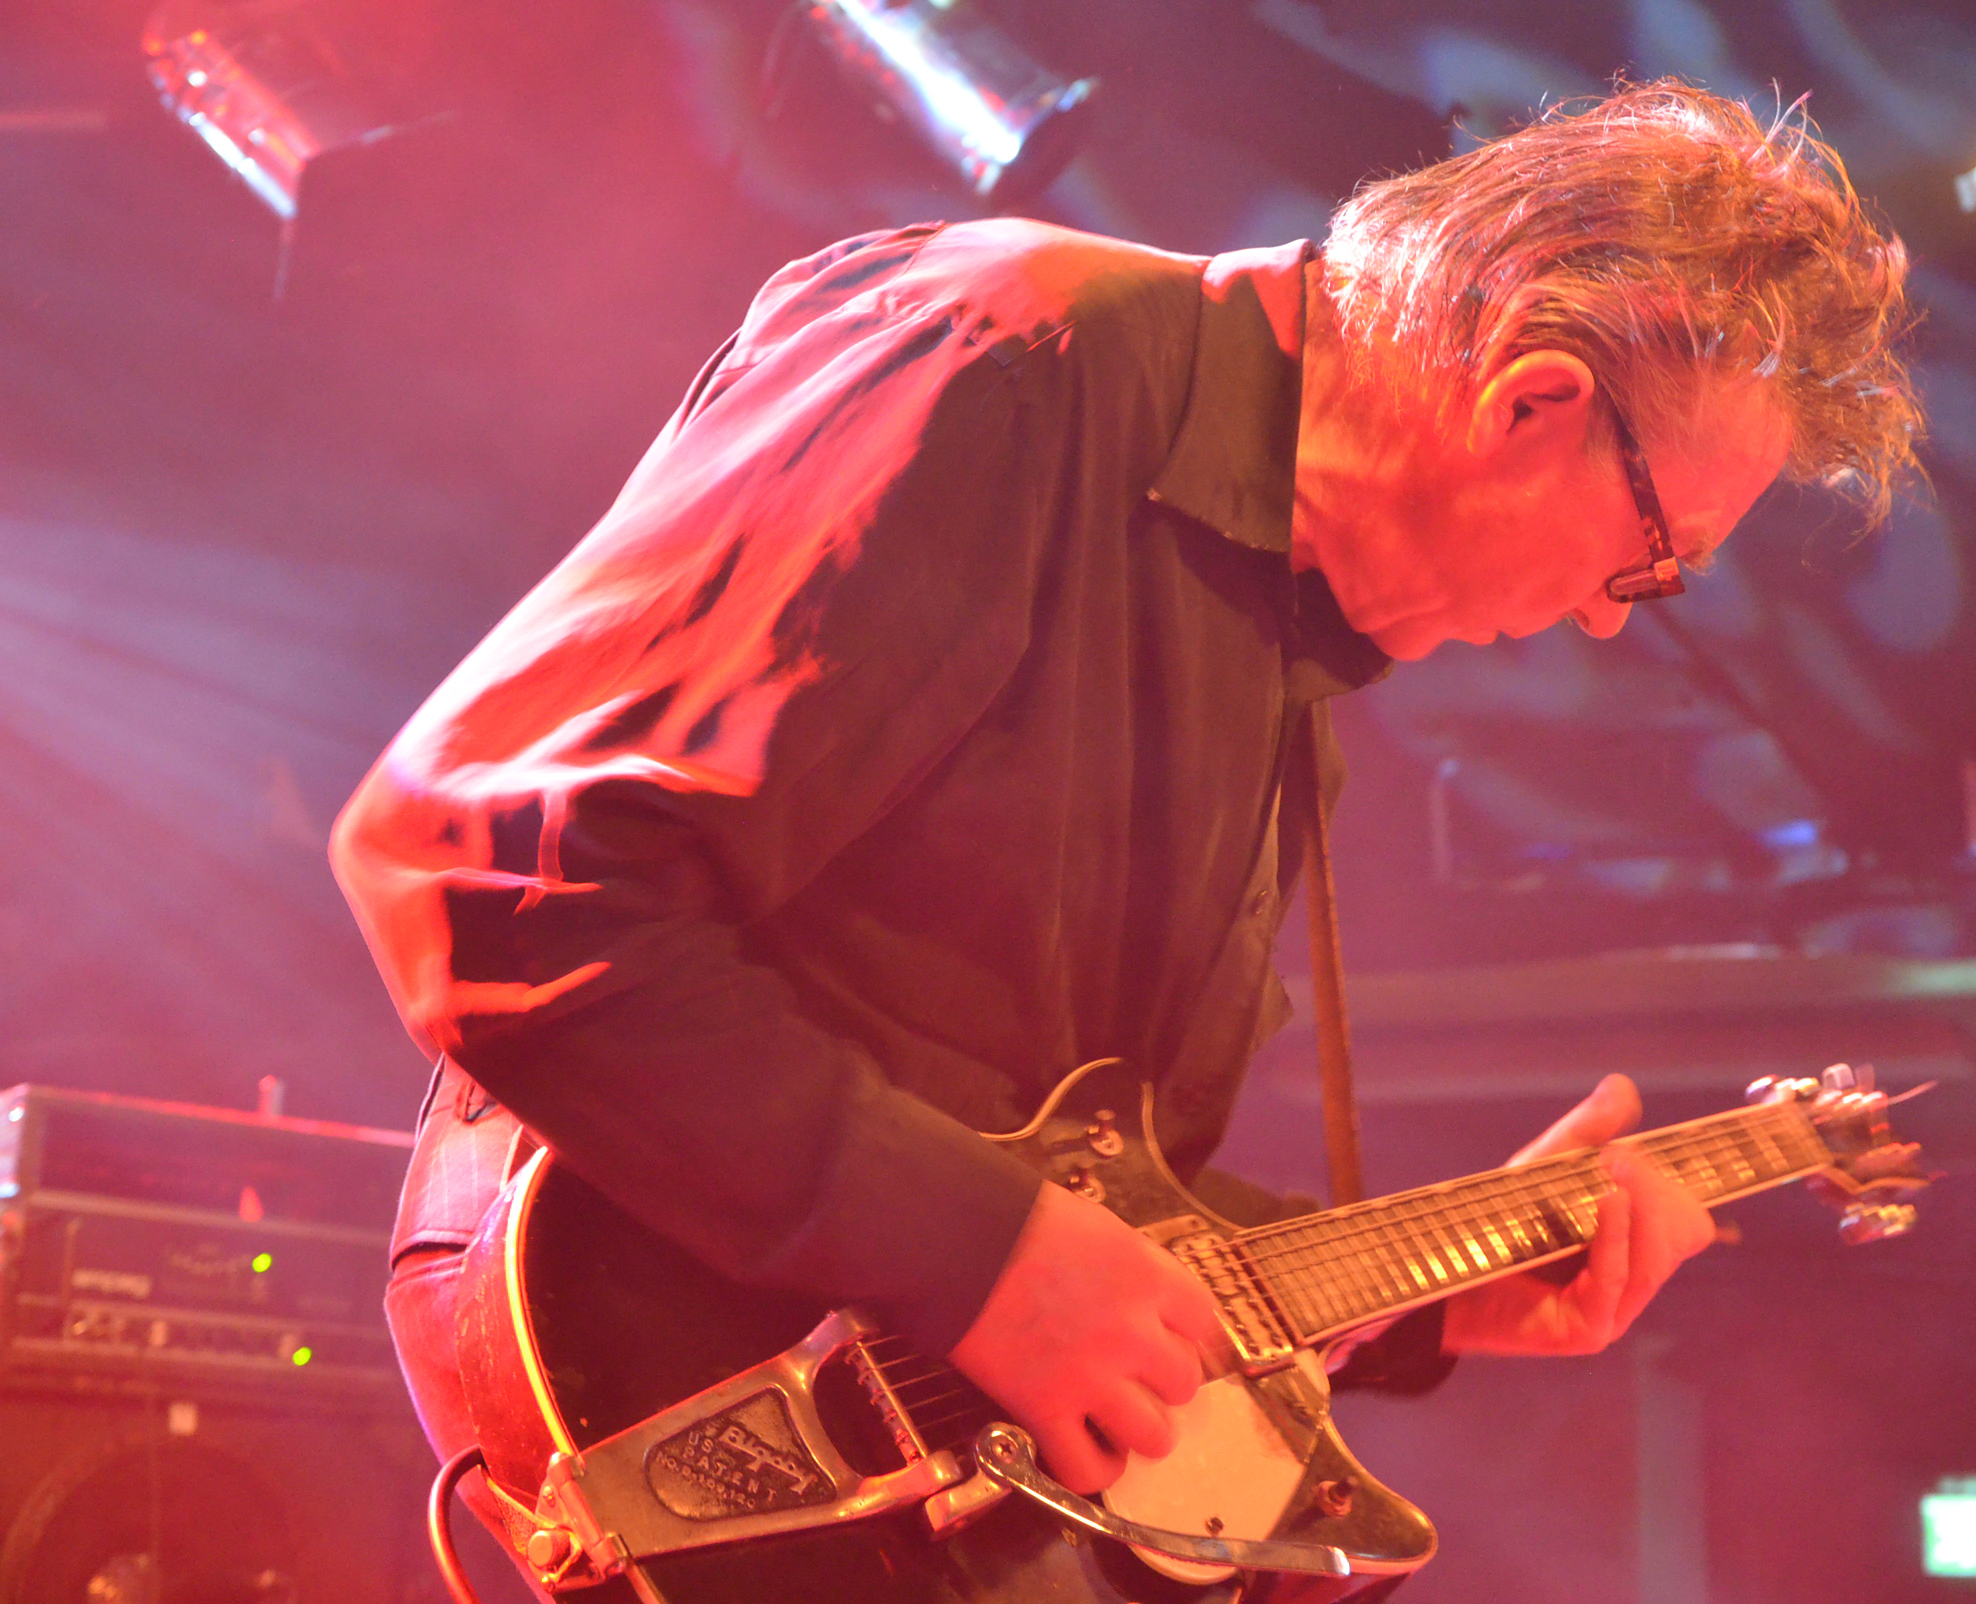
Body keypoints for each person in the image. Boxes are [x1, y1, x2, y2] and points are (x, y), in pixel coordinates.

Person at [331, 81, 1920, 1594]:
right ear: (1531, 401)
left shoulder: (1279, 662)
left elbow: (1069, 1192)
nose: (1610, 621)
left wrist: (1439, 1296)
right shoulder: (1009, 359)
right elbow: (487, 874)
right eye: (1652, 562)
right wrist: (976, 1257)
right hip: (668, 1367)